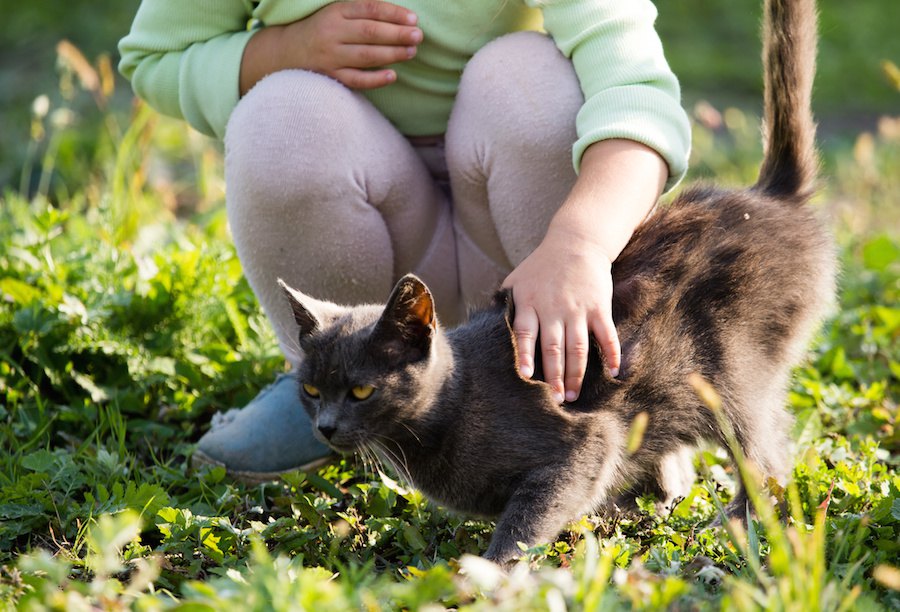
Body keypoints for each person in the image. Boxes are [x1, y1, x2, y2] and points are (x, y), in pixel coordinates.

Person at [119, 0, 691, 482]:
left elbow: (637, 91)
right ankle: (333, 385)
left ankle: (594, 393)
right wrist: (279, 52)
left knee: (529, 74)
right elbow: (154, 57)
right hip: (371, 283)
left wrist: (579, 243)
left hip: (525, 251)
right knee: (280, 114)